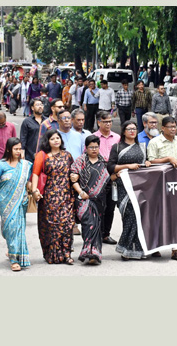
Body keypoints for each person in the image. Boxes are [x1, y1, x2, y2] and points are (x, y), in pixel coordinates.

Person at [0, 137, 33, 272]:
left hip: (21, 201)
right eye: (16, 149)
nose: (18, 151)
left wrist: (33, 190)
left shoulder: (26, 165)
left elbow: (29, 181)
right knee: (10, 228)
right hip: (5, 202)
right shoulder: (0, 165)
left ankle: (14, 256)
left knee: (18, 228)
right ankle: (14, 258)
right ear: (9, 149)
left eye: (20, 149)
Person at [147, 116, 177, 261]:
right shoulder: (154, 142)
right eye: (170, 127)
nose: (173, 129)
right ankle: (155, 246)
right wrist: (167, 159)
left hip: (175, 184)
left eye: (175, 127)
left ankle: (176, 249)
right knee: (158, 215)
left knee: (176, 215)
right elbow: (150, 161)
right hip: (158, 183)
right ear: (163, 128)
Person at [107, 121, 152, 260]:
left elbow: (147, 164)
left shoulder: (142, 147)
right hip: (123, 186)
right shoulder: (117, 147)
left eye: (134, 129)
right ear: (124, 131)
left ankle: (136, 249)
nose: (132, 131)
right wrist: (127, 166)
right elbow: (110, 167)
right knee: (128, 216)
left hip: (139, 186)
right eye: (129, 129)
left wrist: (148, 163)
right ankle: (126, 248)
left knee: (138, 218)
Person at [32, 129, 76, 264]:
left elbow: (73, 171)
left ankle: (67, 254)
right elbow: (35, 173)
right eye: (53, 139)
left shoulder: (67, 155)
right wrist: (34, 190)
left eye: (58, 138)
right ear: (48, 141)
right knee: (52, 226)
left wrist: (76, 176)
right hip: (50, 196)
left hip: (66, 195)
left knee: (67, 225)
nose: (56, 140)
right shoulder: (43, 155)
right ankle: (54, 255)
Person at [69, 135, 111, 265]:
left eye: (96, 147)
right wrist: (81, 192)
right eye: (91, 147)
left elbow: (107, 179)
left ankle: (95, 253)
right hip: (83, 200)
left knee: (97, 226)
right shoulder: (80, 161)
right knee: (88, 224)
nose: (94, 149)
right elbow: (73, 180)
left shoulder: (103, 162)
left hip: (99, 200)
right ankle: (87, 250)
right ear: (86, 148)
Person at [92, 110, 121, 245]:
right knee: (98, 207)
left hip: (113, 176)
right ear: (99, 122)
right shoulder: (93, 137)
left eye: (110, 121)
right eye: (105, 122)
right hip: (97, 176)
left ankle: (106, 234)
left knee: (110, 206)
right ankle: (97, 232)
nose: (108, 124)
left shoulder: (117, 138)